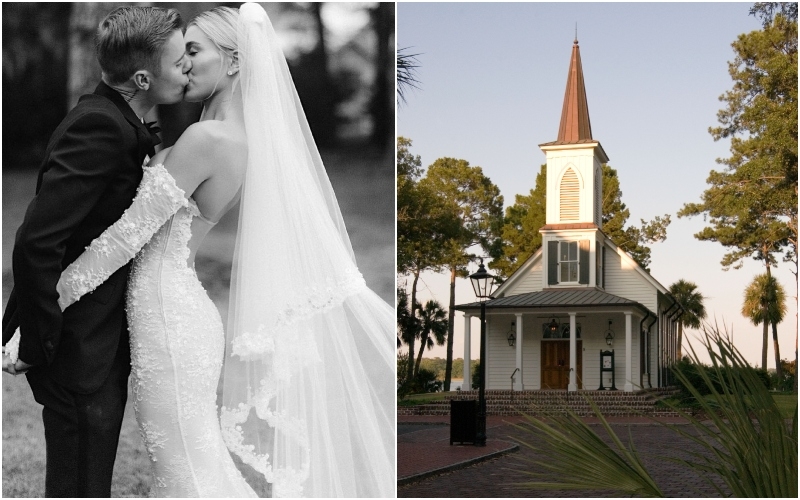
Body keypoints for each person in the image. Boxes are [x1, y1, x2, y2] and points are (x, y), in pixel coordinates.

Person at [9, 3, 395, 497]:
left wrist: (42, 314)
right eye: (181, 54)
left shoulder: (208, 138)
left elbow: (126, 238)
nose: (186, 64)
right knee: (190, 459)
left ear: (234, 62)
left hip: (167, 313)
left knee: (184, 468)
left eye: (193, 51)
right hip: (172, 310)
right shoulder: (229, 136)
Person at [1, 6, 190, 497]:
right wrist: (42, 341)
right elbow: (35, 241)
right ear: (144, 78)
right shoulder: (100, 128)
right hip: (77, 346)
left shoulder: (120, 122)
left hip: (96, 339)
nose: (187, 67)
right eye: (179, 60)